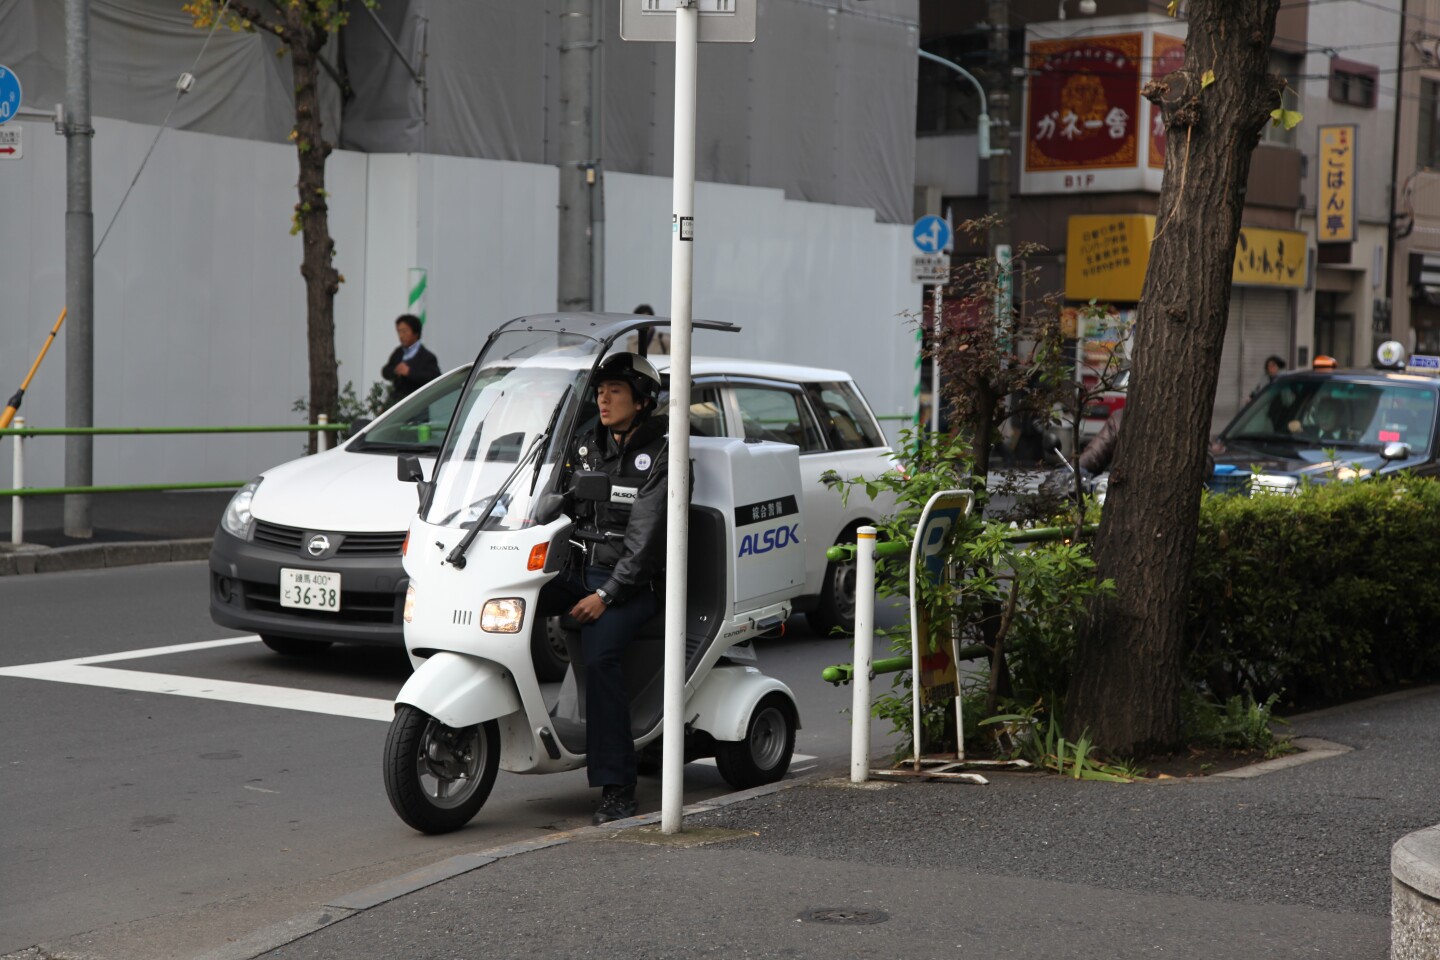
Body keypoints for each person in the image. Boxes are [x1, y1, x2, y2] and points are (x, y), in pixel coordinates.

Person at [542, 352, 668, 824]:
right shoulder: (584, 445)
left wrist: (607, 595)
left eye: (615, 390)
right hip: (576, 572)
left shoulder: (662, 455)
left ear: (642, 400)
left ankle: (618, 786)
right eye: (600, 389)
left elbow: (646, 543)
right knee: (509, 608)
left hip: (631, 586)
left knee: (599, 658)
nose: (603, 397)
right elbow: (549, 503)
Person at [381, 314, 441, 404]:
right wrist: (395, 370)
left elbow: (434, 378)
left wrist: (409, 372)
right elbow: (385, 371)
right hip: (396, 403)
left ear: (416, 333)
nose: (401, 336)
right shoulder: (398, 352)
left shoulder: (427, 357)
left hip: (418, 406)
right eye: (399, 332)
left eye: (404, 332)